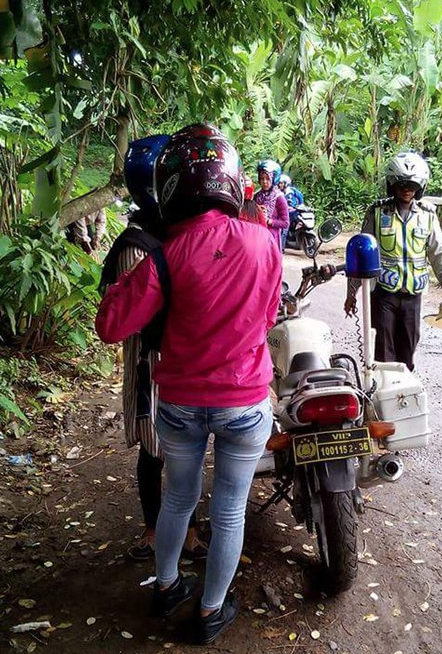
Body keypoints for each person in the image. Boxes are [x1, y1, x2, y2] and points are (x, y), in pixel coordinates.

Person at [96, 123, 282, 645]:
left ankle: (168, 586)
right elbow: (268, 316)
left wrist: (125, 278)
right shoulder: (265, 243)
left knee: (178, 498)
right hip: (244, 402)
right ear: (231, 179)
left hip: (178, 402)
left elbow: (111, 326)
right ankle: (209, 611)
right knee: (227, 508)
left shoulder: (163, 253)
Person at [100, 135, 207, 563]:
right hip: (151, 363)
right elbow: (133, 318)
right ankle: (152, 528)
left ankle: (191, 531)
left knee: (187, 449)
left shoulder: (174, 233)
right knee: (153, 448)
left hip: (181, 358)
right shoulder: (136, 244)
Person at [344, 152, 442, 371]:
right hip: (383, 293)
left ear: (420, 186)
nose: (407, 189)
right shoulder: (377, 213)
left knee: (408, 347)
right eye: (402, 184)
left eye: (413, 185)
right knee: (384, 349)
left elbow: (437, 251)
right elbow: (361, 254)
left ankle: (405, 394)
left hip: (413, 295)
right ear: (392, 184)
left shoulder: (427, 215)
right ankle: (384, 395)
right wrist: (351, 293)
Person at [255, 159, 289, 250]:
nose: (265, 182)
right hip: (258, 238)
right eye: (262, 179)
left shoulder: (279, 198)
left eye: (267, 178)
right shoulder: (257, 196)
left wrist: (269, 221)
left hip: (272, 240)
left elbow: (285, 223)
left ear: (274, 179)